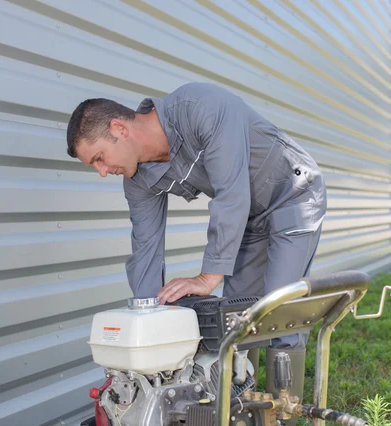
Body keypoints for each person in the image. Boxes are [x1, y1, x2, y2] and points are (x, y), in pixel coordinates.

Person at [67, 82, 326, 361]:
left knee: (279, 315)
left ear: (119, 128)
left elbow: (231, 195)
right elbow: (146, 248)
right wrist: (147, 314)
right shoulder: (137, 180)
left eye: (99, 158)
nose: (103, 172)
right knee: (237, 324)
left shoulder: (201, 107)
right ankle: (243, 402)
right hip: (248, 218)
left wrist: (207, 278)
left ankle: (287, 404)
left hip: (292, 195)